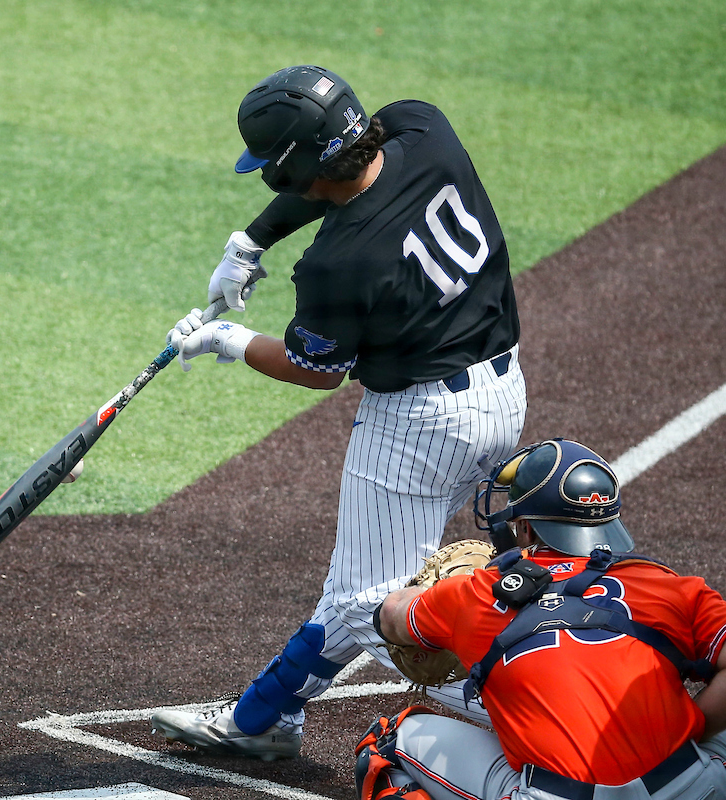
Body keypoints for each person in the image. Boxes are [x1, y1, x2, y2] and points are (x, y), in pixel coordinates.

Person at [151, 65, 526, 759]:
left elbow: (317, 370)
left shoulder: (338, 264)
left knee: (369, 607)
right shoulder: (426, 127)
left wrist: (228, 340)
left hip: (419, 427)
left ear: (292, 170)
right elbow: (343, 177)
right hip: (502, 397)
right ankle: (260, 718)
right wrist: (252, 240)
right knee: (359, 588)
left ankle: (559, 697)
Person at [366, 437, 726, 799]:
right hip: (689, 788)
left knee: (385, 743)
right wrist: (690, 729)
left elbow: (389, 617)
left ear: (524, 528)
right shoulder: (671, 586)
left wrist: (438, 593)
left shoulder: (475, 594)